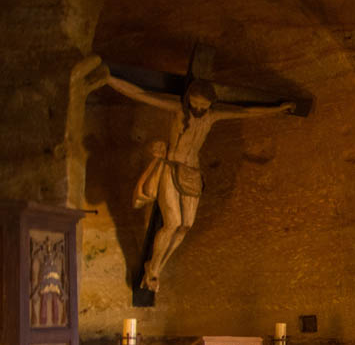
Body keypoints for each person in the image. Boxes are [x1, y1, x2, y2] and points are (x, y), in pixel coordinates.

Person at [102, 73, 295, 291]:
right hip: (172, 168)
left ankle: (157, 267)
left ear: (211, 104)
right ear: (188, 99)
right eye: (195, 103)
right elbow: (142, 94)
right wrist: (108, 78)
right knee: (172, 223)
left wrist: (277, 109)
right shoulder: (178, 109)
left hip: (192, 173)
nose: (199, 109)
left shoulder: (212, 116)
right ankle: (153, 269)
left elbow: (246, 112)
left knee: (186, 226)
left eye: (204, 105)